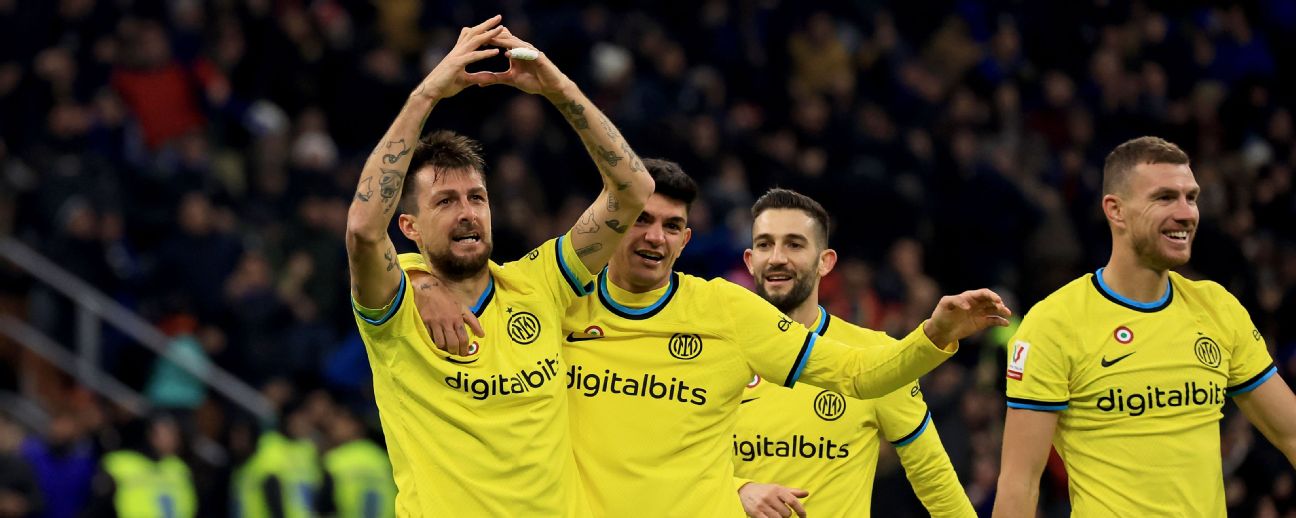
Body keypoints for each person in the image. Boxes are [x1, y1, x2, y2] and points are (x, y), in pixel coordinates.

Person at [405, 159, 1010, 516]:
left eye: (673, 226)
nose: (656, 236)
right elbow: (462, 271)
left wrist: (934, 335)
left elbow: (867, 384)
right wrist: (421, 277)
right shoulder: (558, 301)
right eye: (641, 219)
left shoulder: (728, 313)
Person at [343, 15, 653, 515]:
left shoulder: (542, 283)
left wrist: (558, 88)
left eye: (476, 197)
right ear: (410, 229)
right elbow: (362, 228)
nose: (467, 212)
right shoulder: (395, 312)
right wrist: (427, 96)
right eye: (444, 202)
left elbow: (633, 191)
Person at [993, 136, 1296, 516]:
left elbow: (1291, 432)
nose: (1187, 213)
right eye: (1165, 198)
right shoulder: (1055, 324)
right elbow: (1019, 484)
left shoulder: (1217, 309)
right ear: (1115, 210)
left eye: (1191, 197)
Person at [732, 188, 973, 518]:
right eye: (765, 244)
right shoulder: (718, 353)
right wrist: (738, 489)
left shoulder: (878, 355)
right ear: (750, 260)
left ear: (825, 262)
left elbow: (935, 479)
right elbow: (678, 466)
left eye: (794, 244)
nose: (776, 257)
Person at [86, 415, 197, 518]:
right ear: (151, 434)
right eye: (167, 433)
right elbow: (98, 505)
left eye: (175, 434)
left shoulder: (179, 467)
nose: (174, 440)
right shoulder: (121, 462)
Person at [318, 405, 396, 518]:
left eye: (338, 423)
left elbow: (324, 505)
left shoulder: (334, 459)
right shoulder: (382, 457)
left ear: (356, 425)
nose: (333, 429)